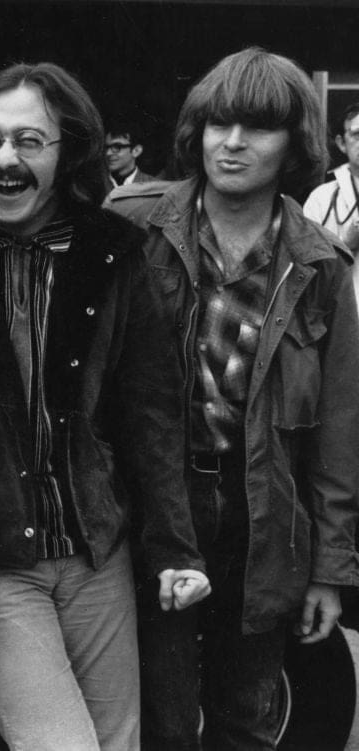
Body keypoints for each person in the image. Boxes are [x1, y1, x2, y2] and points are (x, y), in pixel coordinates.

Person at [0, 62, 208, 750]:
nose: (4, 159)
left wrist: (174, 547)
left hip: (96, 550)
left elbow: (150, 412)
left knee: (118, 741)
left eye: (28, 141)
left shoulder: (113, 251)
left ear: (69, 151)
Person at [108, 47, 359, 750]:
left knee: (246, 719)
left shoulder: (321, 265)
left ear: (295, 144)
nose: (233, 142)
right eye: (219, 123)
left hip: (263, 514)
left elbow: (340, 434)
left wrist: (330, 572)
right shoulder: (133, 225)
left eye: (258, 127)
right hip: (152, 506)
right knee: (159, 721)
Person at [303, 100, 359, 312]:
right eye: (357, 134)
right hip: (339, 317)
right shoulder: (321, 199)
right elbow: (303, 269)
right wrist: (346, 244)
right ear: (342, 143)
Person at [106, 120, 155, 191]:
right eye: (106, 147)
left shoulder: (154, 186)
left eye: (116, 147)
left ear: (136, 151)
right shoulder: (97, 185)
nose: (108, 153)